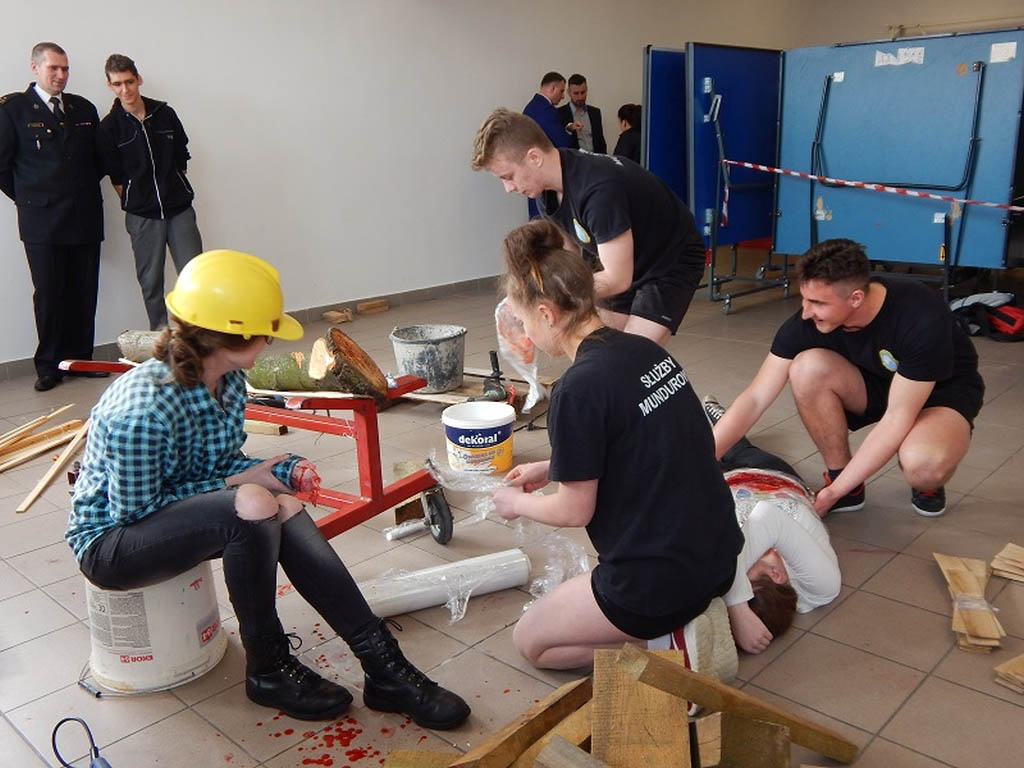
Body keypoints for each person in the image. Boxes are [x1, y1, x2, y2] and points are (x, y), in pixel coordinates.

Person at [65, 250, 470, 728]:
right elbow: (136, 511)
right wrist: (240, 482)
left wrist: (279, 470)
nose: (270, 341)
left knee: (283, 504)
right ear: (231, 337)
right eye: (265, 333)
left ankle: (384, 666)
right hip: (112, 542)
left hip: (167, 513)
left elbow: (222, 465)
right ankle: (268, 668)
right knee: (254, 503)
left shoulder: (228, 380)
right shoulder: (141, 411)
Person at [490, 219, 743, 672]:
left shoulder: (576, 389)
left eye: (525, 321)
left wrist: (515, 503)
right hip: (719, 557)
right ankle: (690, 618)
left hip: (658, 583)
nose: (526, 333)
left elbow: (574, 510)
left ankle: (670, 639)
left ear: (547, 314)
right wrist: (552, 466)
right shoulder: (645, 349)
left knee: (531, 644)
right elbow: (653, 440)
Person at [711, 238, 985, 518]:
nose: (806, 312)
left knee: (923, 466)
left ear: (855, 298)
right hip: (874, 383)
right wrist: (704, 459)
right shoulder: (808, 322)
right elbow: (756, 397)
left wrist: (830, 494)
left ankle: (925, 480)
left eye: (817, 302)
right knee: (807, 367)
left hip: (939, 392)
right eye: (804, 298)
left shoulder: (919, 316)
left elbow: (897, 418)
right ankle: (845, 482)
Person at [472, 108, 706, 346]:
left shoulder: (597, 190)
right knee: (598, 346)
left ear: (534, 158)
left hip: (670, 260)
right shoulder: (547, 190)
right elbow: (569, 258)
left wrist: (545, 299)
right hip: (627, 261)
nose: (508, 188)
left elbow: (617, 279)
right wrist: (530, 297)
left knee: (632, 355)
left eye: (508, 176)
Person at [0, 42, 105, 392]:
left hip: (84, 216)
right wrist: (32, 200)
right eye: (53, 68)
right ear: (35, 68)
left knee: (84, 292)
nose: (61, 75)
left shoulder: (82, 108)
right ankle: (49, 365)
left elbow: (97, 163)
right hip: (41, 221)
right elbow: (3, 168)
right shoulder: (13, 110)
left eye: (65, 69)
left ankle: (82, 360)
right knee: (49, 294)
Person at [703, 395, 840, 655]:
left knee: (695, 452)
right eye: (740, 579)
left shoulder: (750, 567)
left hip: (722, 483)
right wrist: (735, 601)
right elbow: (767, 515)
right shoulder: (821, 586)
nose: (729, 577)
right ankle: (719, 416)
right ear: (777, 575)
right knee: (738, 448)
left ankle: (714, 425)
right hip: (770, 474)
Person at [97, 54, 203, 331]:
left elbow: (181, 157)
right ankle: (161, 337)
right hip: (142, 216)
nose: (125, 90)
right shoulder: (109, 127)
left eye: (129, 82)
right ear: (109, 85)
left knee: (195, 276)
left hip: (179, 210)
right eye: (118, 84)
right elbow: (116, 177)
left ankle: (198, 335)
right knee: (151, 281)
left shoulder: (164, 113)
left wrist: (173, 189)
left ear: (138, 79)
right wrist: (138, 200)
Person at [522, 72, 569, 219]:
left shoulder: (530, 108)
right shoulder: (547, 111)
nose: (563, 96)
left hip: (531, 170)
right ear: (552, 88)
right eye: (561, 91)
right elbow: (562, 143)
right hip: (546, 173)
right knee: (550, 219)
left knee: (536, 217)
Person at [557, 74, 606, 154]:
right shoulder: (560, 113)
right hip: (574, 160)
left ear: (586, 90)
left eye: (583, 92)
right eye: (576, 93)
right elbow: (559, 141)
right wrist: (569, 128)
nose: (580, 97)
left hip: (595, 159)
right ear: (569, 92)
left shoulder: (595, 113)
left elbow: (600, 141)